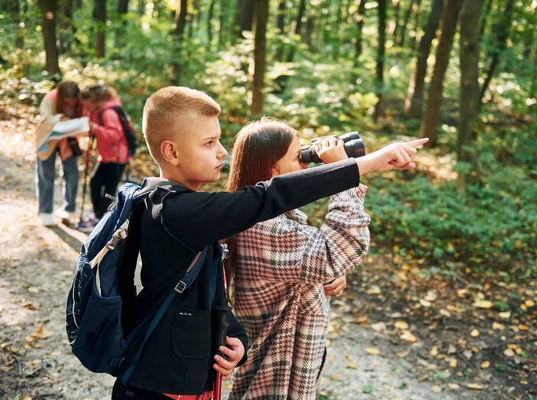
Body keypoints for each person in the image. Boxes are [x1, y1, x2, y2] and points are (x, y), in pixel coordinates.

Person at [110, 86, 426, 399]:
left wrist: (236, 338)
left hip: (180, 381)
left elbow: (202, 294)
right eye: (209, 143)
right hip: (155, 387)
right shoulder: (177, 211)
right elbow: (268, 197)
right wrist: (359, 166)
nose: (222, 151)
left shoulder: (184, 209)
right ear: (172, 152)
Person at [224, 120, 415, 400]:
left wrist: (324, 275)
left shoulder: (270, 219)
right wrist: (342, 175)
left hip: (283, 379)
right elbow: (341, 247)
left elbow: (322, 259)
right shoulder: (263, 228)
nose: (306, 164)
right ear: (272, 170)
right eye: (298, 157)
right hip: (272, 386)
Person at [77, 85, 130, 232]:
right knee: (95, 183)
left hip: (118, 156)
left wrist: (95, 129)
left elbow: (114, 135)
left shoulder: (108, 113)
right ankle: (99, 215)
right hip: (106, 156)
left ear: (95, 101)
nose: (85, 106)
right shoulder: (96, 111)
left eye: (87, 103)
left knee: (109, 189)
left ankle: (101, 218)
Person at [34, 80, 84, 226]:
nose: (70, 105)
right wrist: (60, 119)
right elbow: (46, 118)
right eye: (67, 102)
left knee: (72, 174)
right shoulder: (50, 99)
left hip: (67, 140)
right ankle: (46, 212)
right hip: (46, 138)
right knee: (45, 175)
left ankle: (69, 210)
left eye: (72, 102)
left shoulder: (80, 101)